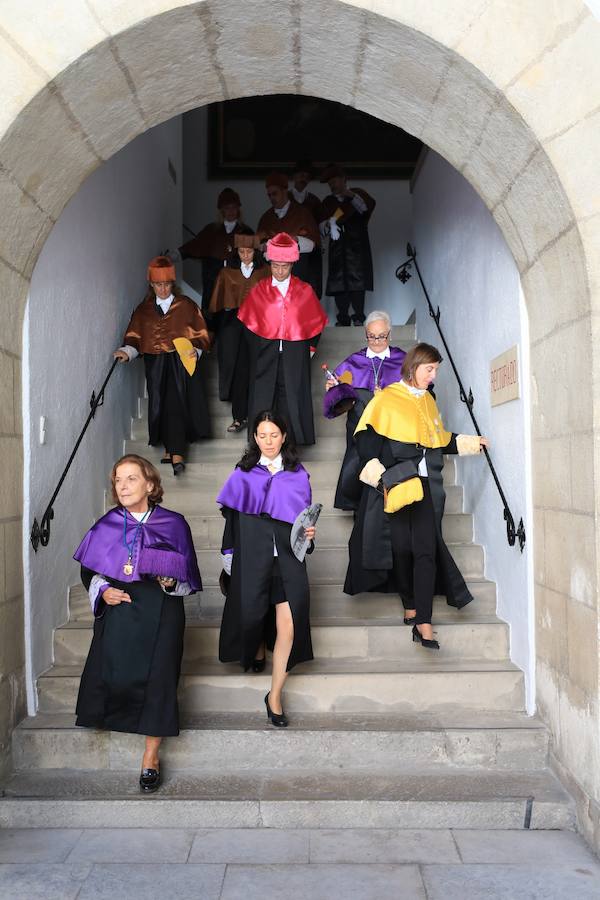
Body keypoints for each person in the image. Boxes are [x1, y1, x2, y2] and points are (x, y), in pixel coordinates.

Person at [344, 343, 489, 649]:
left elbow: (438, 439)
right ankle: (409, 602)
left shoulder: (429, 401)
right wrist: (381, 478)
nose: (433, 376)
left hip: (427, 488)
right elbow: (365, 441)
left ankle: (424, 621)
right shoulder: (386, 399)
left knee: (425, 551)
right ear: (413, 367)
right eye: (429, 370)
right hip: (398, 486)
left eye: (436, 370)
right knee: (401, 550)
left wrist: (472, 443)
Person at [74, 455, 202, 792]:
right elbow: (89, 570)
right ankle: (111, 714)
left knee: (160, 679)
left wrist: (172, 583)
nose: (124, 486)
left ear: (150, 483)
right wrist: (103, 591)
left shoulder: (174, 524)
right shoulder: (107, 524)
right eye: (118, 480)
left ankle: (151, 755)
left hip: (162, 611)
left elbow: (187, 574)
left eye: (132, 478)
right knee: (116, 670)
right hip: (122, 608)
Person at [216, 411, 316, 727]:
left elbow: (303, 521)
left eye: (274, 434)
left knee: (290, 625)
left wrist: (309, 537)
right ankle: (256, 648)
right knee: (251, 612)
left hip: (287, 561)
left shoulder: (298, 474)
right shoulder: (243, 473)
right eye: (262, 435)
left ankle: (274, 696)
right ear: (255, 438)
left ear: (284, 436)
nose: (268, 441)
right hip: (252, 557)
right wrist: (229, 557)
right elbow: (231, 522)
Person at [114, 255, 211, 475]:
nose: (163, 289)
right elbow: (136, 337)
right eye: (158, 284)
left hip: (180, 363)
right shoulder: (143, 310)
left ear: (172, 284)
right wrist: (127, 352)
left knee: (177, 402)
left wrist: (194, 350)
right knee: (160, 403)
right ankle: (169, 449)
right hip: (155, 363)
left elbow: (201, 334)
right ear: (151, 285)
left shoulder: (186, 305)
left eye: (167, 284)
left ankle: (177, 453)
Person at [238, 232, 328, 446]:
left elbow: (316, 324)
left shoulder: (304, 291)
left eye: (285, 266)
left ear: (292, 264)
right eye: (276, 265)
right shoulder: (259, 290)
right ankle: (260, 445)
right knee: (263, 398)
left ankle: (291, 446)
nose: (279, 271)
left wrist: (311, 348)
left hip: (295, 352)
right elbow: (248, 327)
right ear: (270, 262)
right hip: (265, 352)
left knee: (292, 397)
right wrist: (257, 351)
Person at [323, 310, 406, 510]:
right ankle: (359, 507)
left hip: (391, 425)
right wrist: (333, 388)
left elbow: (418, 392)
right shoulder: (354, 361)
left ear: (390, 334)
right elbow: (338, 397)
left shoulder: (403, 360)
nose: (376, 340)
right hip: (360, 425)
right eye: (371, 336)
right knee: (358, 465)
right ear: (365, 334)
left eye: (382, 336)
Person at [209, 233, 270, 432]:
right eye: (242, 251)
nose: (245, 255)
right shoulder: (227, 272)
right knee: (237, 370)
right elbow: (218, 302)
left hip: (258, 325)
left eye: (249, 251)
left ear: (255, 252)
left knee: (258, 369)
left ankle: (258, 416)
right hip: (233, 326)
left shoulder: (264, 272)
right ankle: (239, 416)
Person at [169, 188, 254, 310]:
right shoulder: (211, 231)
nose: (231, 211)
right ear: (221, 210)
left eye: (233, 207)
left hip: (236, 286)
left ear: (238, 209)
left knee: (234, 320)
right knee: (212, 317)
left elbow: (253, 259)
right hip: (212, 283)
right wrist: (173, 256)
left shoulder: (245, 232)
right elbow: (194, 246)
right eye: (227, 207)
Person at [319, 163, 375, 326]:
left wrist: (348, 195)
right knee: (338, 283)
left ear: (343, 179)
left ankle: (358, 316)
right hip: (337, 248)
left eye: (334, 182)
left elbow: (364, 209)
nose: (332, 186)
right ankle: (342, 318)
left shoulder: (357, 196)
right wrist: (331, 224)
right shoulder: (328, 202)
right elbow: (322, 228)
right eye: (330, 184)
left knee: (358, 281)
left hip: (357, 246)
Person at [257, 171, 321, 294]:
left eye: (274, 194)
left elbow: (313, 244)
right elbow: (260, 244)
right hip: (274, 280)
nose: (272, 198)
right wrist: (265, 246)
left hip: (299, 277)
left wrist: (295, 240)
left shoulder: (303, 214)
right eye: (269, 195)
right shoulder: (266, 218)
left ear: (284, 191)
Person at [289, 159, 324, 297]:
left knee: (312, 284)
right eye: (300, 175)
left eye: (306, 175)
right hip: (291, 247)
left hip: (311, 249)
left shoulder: (314, 201)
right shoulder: (286, 199)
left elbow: (321, 226)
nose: (303, 178)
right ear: (294, 177)